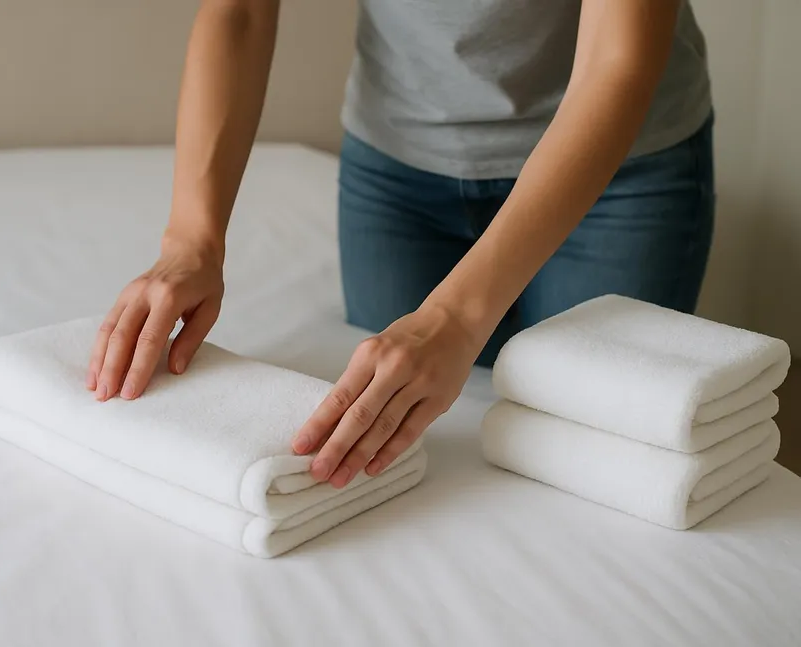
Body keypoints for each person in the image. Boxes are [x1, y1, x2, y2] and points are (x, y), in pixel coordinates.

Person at [85, 0, 714, 490]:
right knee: (393, 449)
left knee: (594, 458)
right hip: (399, 172)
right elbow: (240, 11)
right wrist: (192, 239)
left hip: (618, 177)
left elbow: (618, 58)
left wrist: (457, 316)